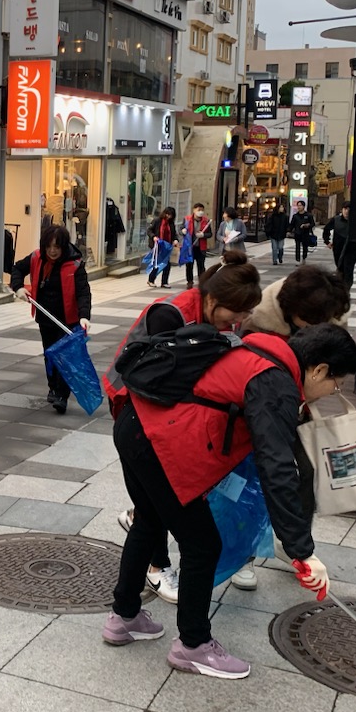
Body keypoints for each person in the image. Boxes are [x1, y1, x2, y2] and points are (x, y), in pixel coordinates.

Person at [105, 324, 356, 679]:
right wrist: (302, 551)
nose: (334, 390)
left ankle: (124, 617)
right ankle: (193, 646)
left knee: (149, 519)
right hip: (158, 442)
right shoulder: (275, 383)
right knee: (202, 544)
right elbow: (278, 468)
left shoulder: (260, 348)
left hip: (135, 421)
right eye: (337, 382)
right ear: (318, 369)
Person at [106, 249, 263, 605]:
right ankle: (160, 575)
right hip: (136, 413)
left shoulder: (208, 316)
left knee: (149, 517)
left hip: (151, 422)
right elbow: (160, 383)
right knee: (183, 532)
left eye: (245, 314)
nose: (238, 321)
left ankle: (124, 616)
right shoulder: (170, 314)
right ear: (214, 300)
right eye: (235, 313)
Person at [227, 263, 352, 590]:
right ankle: (245, 554)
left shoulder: (329, 307)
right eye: (311, 324)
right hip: (258, 408)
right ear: (293, 313)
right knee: (256, 476)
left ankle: (294, 544)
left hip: (297, 403)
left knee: (306, 470)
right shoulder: (260, 321)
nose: (319, 329)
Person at [10, 224, 92, 414]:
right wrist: (18, 287)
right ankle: (53, 387)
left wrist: (84, 316)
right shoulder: (36, 258)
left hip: (68, 319)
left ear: (64, 246)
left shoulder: (75, 263)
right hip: (45, 317)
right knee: (50, 354)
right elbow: (17, 269)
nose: (52, 251)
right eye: (49, 247)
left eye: (57, 247)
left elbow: (83, 292)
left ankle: (62, 396)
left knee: (67, 356)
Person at [322, 203, 356, 285]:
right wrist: (327, 241)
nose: (347, 212)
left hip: (351, 249)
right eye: (345, 209)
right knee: (340, 268)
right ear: (342, 210)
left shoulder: (355, 221)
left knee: (348, 269)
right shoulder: (336, 220)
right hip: (338, 248)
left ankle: (347, 287)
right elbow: (326, 229)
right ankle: (341, 287)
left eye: (349, 210)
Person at [181, 202, 213, 288]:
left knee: (201, 265)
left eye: (202, 210)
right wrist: (182, 231)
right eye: (199, 210)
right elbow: (181, 228)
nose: (200, 212)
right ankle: (190, 281)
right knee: (189, 265)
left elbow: (210, 234)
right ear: (194, 210)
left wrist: (203, 235)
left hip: (201, 247)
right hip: (190, 247)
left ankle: (202, 282)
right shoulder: (187, 219)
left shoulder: (206, 221)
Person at [148, 207, 177, 289]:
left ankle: (164, 282)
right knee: (157, 263)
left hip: (167, 246)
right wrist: (153, 237)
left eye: (170, 215)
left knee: (167, 264)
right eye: (167, 214)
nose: (168, 216)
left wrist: (175, 240)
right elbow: (149, 230)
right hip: (157, 245)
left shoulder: (171, 224)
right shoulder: (157, 221)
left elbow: (174, 234)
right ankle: (151, 280)